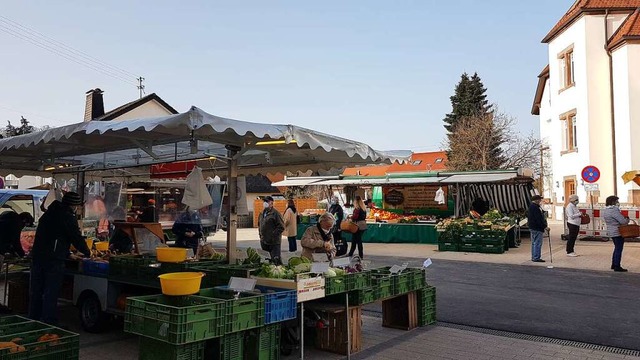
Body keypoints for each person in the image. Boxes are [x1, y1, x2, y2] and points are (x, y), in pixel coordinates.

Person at [29, 191, 91, 325]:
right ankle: (48, 321)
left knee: (37, 290)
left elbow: (53, 237)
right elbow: (76, 237)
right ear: (74, 205)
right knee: (51, 291)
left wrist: (68, 253)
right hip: (53, 259)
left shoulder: (49, 213)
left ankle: (33, 319)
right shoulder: (67, 217)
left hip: (39, 256)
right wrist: (88, 252)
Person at [603, 195, 630, 272]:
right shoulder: (614, 210)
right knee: (618, 249)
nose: (618, 203)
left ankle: (614, 264)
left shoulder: (606, 210)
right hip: (618, 231)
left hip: (611, 231)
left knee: (616, 248)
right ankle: (617, 266)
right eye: (617, 201)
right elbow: (622, 221)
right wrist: (627, 219)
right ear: (613, 202)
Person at [258, 196, 284, 264]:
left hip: (274, 242)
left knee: (276, 260)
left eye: (267, 201)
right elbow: (260, 225)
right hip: (264, 241)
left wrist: (273, 235)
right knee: (267, 261)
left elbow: (281, 227)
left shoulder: (276, 213)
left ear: (271, 203)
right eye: (264, 201)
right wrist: (261, 236)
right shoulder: (261, 213)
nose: (265, 203)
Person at [527, 195, 549, 263]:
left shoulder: (532, 206)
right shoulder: (535, 207)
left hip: (532, 227)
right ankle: (536, 257)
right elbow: (538, 219)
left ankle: (534, 256)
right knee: (537, 243)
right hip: (537, 228)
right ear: (536, 200)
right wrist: (544, 226)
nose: (540, 201)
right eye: (539, 199)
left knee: (534, 242)